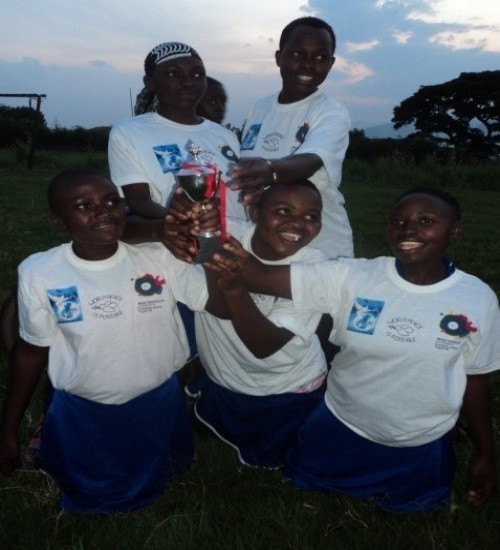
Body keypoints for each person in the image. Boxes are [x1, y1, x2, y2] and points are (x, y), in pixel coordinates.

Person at [209, 187, 500, 512]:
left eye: (426, 220)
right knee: (303, 491)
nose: (408, 229)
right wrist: (206, 229)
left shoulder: (477, 298)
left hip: (419, 437)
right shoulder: (354, 276)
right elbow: (260, 275)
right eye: (398, 221)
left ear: (455, 229)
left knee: (415, 510)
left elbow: (476, 379)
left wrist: (486, 453)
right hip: (342, 421)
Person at [0, 168, 210, 514]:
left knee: (164, 469)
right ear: (57, 220)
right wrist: (9, 429)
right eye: (85, 206)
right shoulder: (40, 272)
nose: (104, 211)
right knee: (92, 491)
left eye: (112, 201)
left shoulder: (156, 256)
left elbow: (211, 297)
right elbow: (31, 352)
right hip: (85, 406)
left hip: (157, 397)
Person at [188, 180, 328, 468]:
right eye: (283, 211)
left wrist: (234, 288)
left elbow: (264, 346)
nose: (297, 224)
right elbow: (180, 225)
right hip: (226, 377)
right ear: (255, 213)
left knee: (278, 460)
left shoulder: (316, 270)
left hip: (284, 385)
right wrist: (188, 212)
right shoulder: (229, 232)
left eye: (311, 216)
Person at [231, 16, 353, 259]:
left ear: (331, 63)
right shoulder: (259, 108)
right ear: (279, 57)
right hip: (268, 244)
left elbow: (311, 160)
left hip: (321, 248)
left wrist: (270, 171)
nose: (308, 64)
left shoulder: (331, 112)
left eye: (321, 57)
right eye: (298, 54)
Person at [109, 41, 244, 224]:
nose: (189, 82)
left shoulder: (226, 136)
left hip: (240, 238)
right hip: (183, 238)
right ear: (150, 82)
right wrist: (187, 226)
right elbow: (139, 201)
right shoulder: (129, 132)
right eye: (173, 73)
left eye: (198, 74)